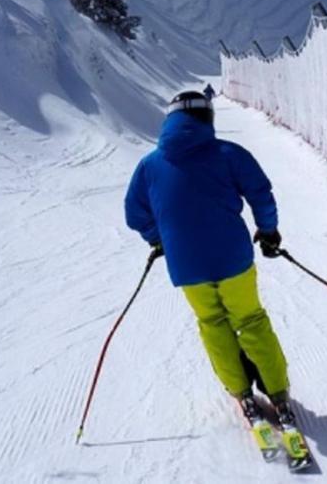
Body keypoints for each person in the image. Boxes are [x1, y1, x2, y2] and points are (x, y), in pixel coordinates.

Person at [124, 90, 295, 426]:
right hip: (233, 259)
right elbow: (260, 193)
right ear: (207, 119)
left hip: (187, 267)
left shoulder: (149, 166)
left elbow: (135, 213)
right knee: (250, 321)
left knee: (214, 325)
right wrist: (269, 231)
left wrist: (158, 240)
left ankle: (242, 394)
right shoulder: (228, 153)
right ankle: (278, 394)